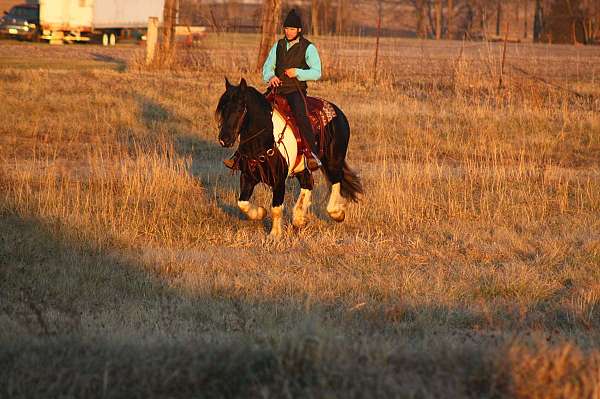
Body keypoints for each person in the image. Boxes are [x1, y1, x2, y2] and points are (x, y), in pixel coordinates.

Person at [264, 9, 322, 171]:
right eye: (286, 29)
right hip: (276, 89)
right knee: (253, 110)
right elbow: (268, 65)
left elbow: (317, 72)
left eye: (292, 29)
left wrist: (298, 72)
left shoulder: (308, 48)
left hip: (296, 91)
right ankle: (243, 154)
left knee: (301, 116)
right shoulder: (278, 45)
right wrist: (270, 76)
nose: (288, 32)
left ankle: (312, 155)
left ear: (299, 30)